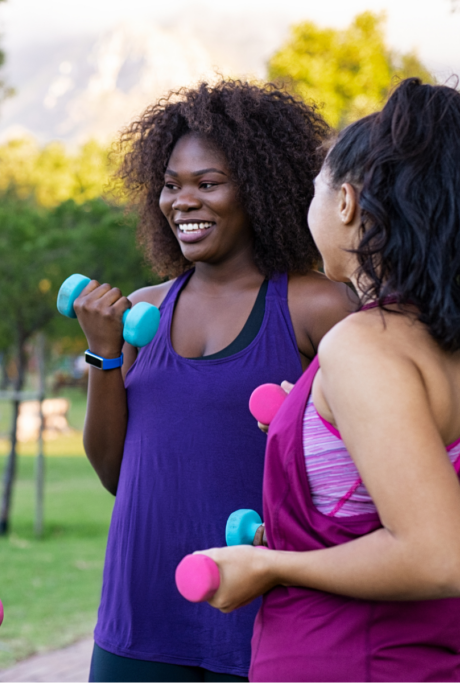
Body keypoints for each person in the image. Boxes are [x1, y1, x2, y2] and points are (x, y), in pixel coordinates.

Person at [75, 80, 356, 681]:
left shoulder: (319, 307)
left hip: (264, 615)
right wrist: (103, 355)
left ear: (258, 189)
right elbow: (113, 474)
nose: (183, 202)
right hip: (141, 615)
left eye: (208, 183)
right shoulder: (140, 313)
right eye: (171, 185)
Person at [196, 79, 460, 681]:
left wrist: (273, 567)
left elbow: (438, 554)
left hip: (347, 660)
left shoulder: (365, 345)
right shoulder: (435, 340)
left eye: (314, 189)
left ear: (346, 202)